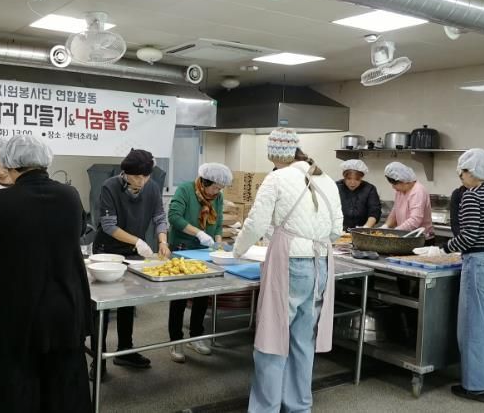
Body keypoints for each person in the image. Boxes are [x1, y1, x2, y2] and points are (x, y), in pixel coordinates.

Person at [0, 135, 92, 413]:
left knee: (18, 381)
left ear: (9, 163)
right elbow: (78, 232)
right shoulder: (70, 195)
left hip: (19, 306)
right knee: (64, 382)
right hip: (65, 302)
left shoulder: (2, 200)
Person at [233, 128, 343, 413]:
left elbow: (256, 224)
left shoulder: (277, 178)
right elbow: (336, 229)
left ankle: (265, 409)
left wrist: (237, 250)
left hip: (289, 264)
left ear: (275, 154)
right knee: (303, 341)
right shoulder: (326, 179)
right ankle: (299, 406)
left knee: (272, 339)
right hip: (321, 264)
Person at [91, 149, 170, 379]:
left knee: (128, 302)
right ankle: (98, 359)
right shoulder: (110, 186)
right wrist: (138, 241)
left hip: (133, 252)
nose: (141, 181)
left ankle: (124, 351)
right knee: (103, 308)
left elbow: (159, 217)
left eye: (146, 176)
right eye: (136, 177)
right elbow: (109, 225)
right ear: (125, 173)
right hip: (107, 253)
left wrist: (162, 241)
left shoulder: (151, 187)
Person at [429, 149, 484, 403]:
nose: (461, 178)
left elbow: (468, 237)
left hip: (480, 265)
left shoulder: (472, 195)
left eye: (462, 172)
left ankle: (477, 387)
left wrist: (441, 249)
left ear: (473, 172)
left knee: (473, 326)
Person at [167, 162, 233, 363]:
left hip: (205, 253)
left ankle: (196, 336)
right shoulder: (186, 190)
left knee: (203, 295)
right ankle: (176, 340)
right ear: (204, 182)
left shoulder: (217, 197)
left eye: (220, 188)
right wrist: (199, 233)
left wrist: (218, 243)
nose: (217, 192)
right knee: (179, 296)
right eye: (215, 187)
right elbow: (174, 217)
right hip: (183, 248)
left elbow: (218, 223)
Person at [382, 162, 434, 241]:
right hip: (406, 237)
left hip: (420, 240)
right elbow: (395, 211)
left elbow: (415, 220)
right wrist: (386, 226)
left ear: (404, 181)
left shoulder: (417, 191)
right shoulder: (400, 191)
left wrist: (395, 232)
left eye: (394, 184)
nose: (393, 187)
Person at [336, 159, 381, 230]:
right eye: (349, 179)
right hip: (338, 230)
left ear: (361, 178)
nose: (352, 182)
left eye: (357, 179)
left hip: (362, 229)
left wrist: (365, 228)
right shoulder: (336, 187)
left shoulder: (369, 189)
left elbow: (374, 212)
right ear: (344, 177)